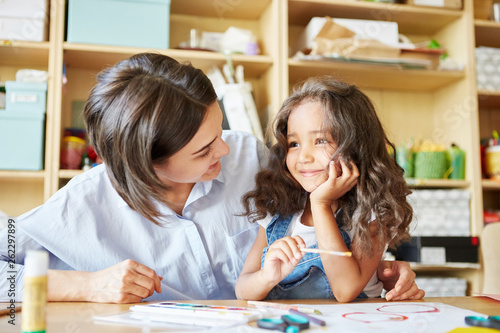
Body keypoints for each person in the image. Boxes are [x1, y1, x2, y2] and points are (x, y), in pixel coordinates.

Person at [0, 53, 423, 303]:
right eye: (203, 150)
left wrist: (375, 266)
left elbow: (328, 223)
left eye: (218, 132)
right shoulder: (82, 205)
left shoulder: (247, 156)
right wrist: (85, 286)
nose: (225, 150)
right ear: (144, 166)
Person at [236, 76, 420, 302]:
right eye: (294, 144)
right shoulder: (279, 210)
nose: (303, 157)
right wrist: (267, 277)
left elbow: (345, 290)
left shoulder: (372, 214)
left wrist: (320, 205)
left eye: (321, 140)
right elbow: (243, 289)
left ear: (356, 146)